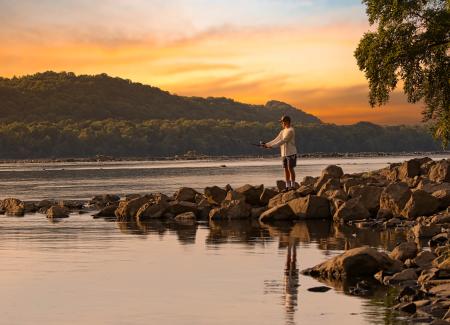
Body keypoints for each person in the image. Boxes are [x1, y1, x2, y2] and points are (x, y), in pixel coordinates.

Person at [263, 115, 298, 192]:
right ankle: (287, 186)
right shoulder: (282, 131)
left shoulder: (291, 130)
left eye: (282, 122)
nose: (281, 123)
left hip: (291, 153)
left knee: (290, 168)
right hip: (284, 154)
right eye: (281, 122)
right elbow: (276, 139)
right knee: (285, 169)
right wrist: (266, 144)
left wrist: (272, 147)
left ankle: (293, 186)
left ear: (287, 122)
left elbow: (283, 141)